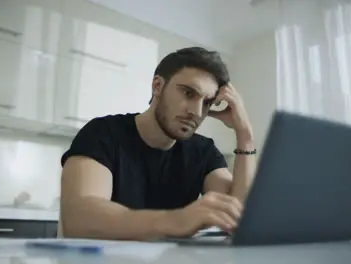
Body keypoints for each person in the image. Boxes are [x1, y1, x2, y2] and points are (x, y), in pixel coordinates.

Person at [59, 47, 257, 240]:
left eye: (207, 103)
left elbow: (239, 217)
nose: (197, 112)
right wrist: (178, 221)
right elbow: (79, 220)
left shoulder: (203, 151)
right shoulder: (103, 133)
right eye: (188, 93)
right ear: (157, 86)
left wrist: (245, 136)